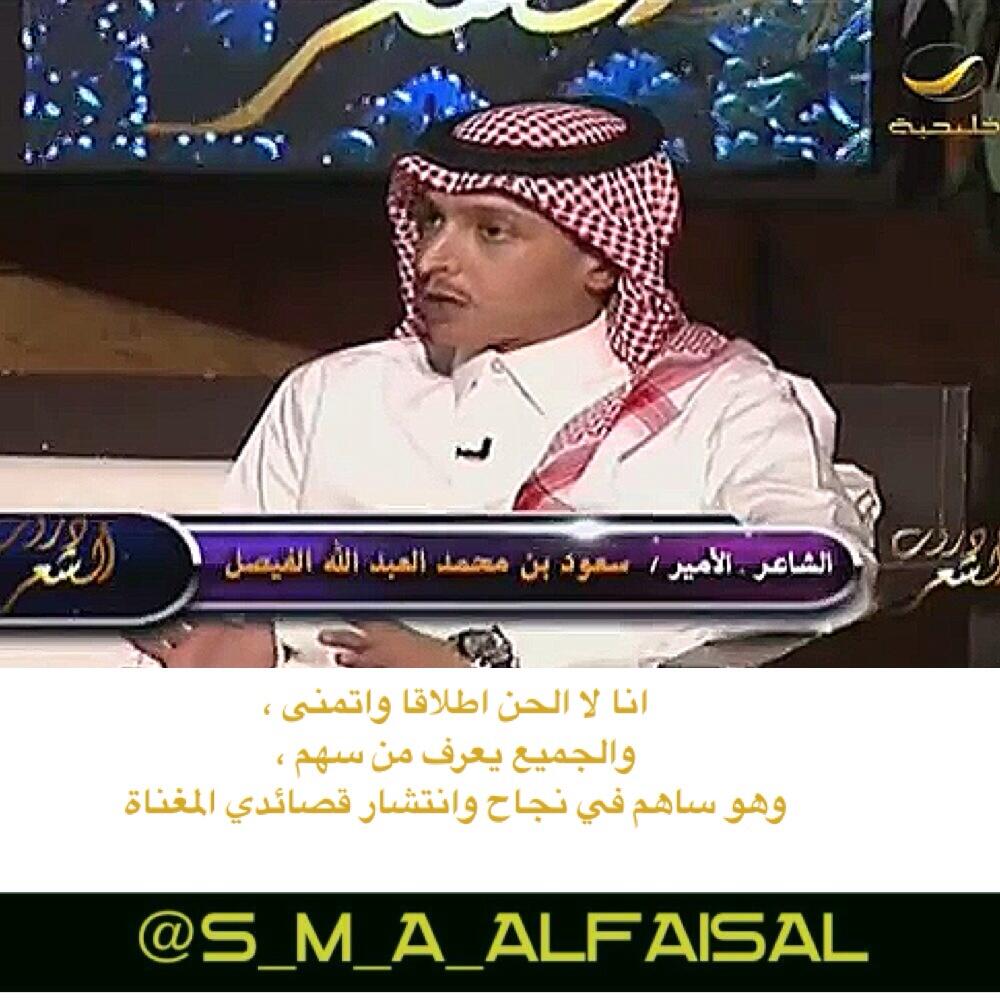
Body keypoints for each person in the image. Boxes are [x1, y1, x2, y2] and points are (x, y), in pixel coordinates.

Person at [132, 96, 880, 669]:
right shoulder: (332, 395)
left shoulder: (718, 402)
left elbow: (818, 577)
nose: (433, 259)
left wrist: (491, 669)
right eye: (432, 222)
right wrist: (241, 642)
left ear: (603, 258)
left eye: (491, 231)